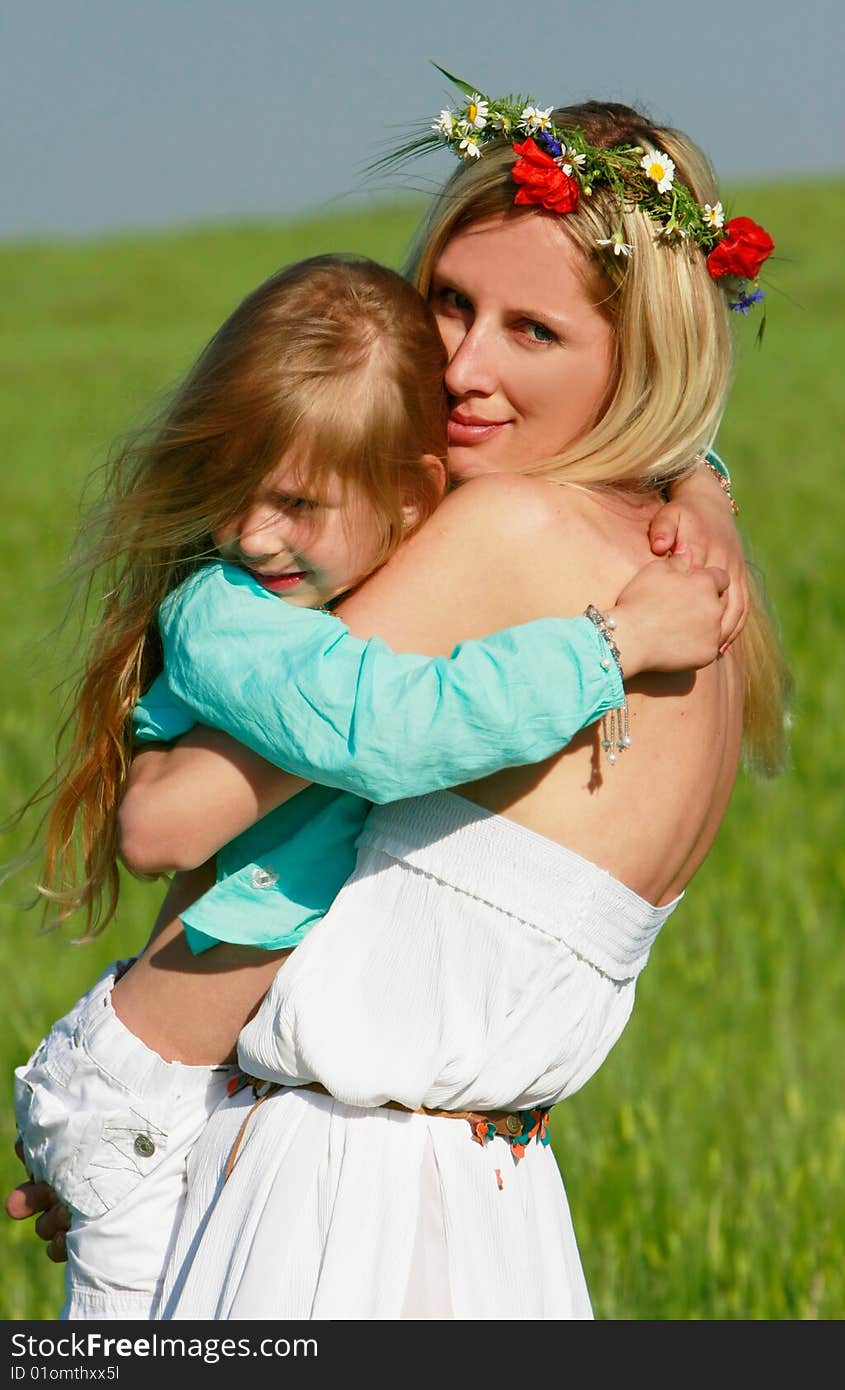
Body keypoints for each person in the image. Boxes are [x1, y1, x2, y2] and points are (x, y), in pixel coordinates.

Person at [67, 87, 785, 1320]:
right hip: (497, 1201)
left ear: (638, 354)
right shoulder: (701, 576)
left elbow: (174, 816)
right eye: (449, 303)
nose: (461, 365)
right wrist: (700, 477)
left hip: (330, 1205)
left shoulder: (499, 533)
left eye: (531, 332)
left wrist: (117, 1117)